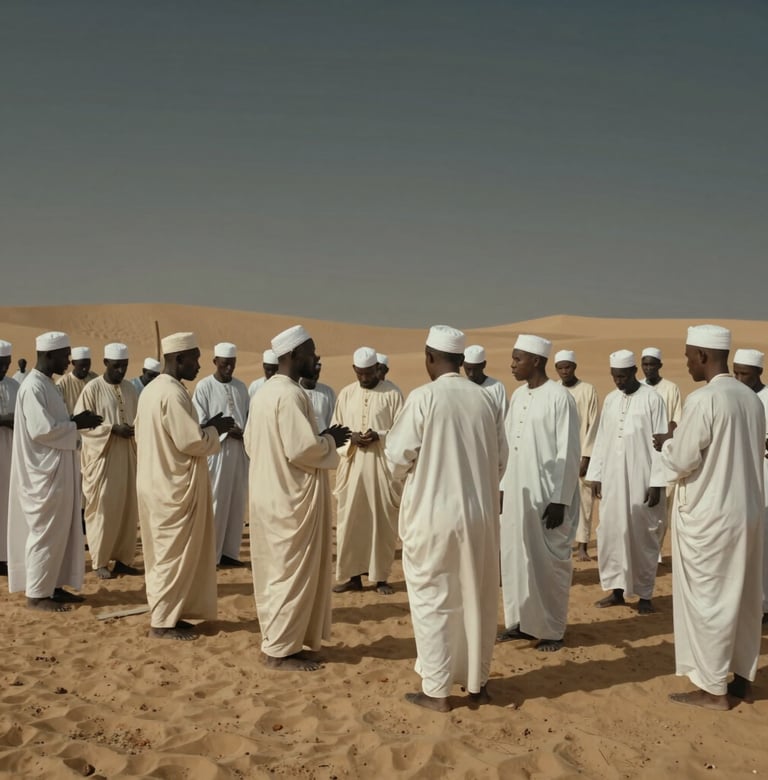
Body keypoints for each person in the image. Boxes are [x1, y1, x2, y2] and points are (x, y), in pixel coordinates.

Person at [385, 325, 507, 711]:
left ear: (430, 357)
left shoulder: (424, 398)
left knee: (433, 600)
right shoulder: (486, 400)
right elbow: (501, 460)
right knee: (477, 597)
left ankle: (436, 691)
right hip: (479, 518)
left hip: (433, 517)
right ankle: (477, 686)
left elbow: (397, 457)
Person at [657, 325, 765, 709]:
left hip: (711, 516)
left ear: (702, 355)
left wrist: (667, 440)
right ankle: (739, 680)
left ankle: (711, 688)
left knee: (709, 601)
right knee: (743, 597)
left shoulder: (705, 400)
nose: (686, 362)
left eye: (688, 355)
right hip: (747, 514)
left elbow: (683, 459)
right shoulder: (751, 400)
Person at [244, 325, 350, 671]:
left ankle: (288, 643)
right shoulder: (288, 395)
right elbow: (301, 448)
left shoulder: (263, 393)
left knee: (282, 573)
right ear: (291, 356)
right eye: (309, 353)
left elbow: (251, 443)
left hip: (271, 495)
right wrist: (330, 439)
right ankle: (278, 651)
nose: (314, 359)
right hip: (288, 502)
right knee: (287, 576)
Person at [135, 332, 234, 640]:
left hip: (157, 481)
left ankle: (171, 615)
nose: (199, 364)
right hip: (171, 487)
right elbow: (189, 441)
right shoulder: (172, 393)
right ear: (178, 359)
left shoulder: (153, 390)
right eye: (195, 358)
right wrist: (213, 431)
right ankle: (163, 623)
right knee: (170, 555)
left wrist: (204, 429)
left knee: (168, 554)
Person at [7, 332, 102, 611]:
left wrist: (75, 422)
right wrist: (76, 424)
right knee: (45, 533)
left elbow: (53, 424)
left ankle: (54, 586)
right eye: (64, 356)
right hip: (42, 475)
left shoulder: (48, 385)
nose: (68, 361)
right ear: (49, 355)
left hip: (57, 470)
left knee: (61, 530)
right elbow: (42, 430)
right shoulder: (33, 387)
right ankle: (37, 595)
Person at [497, 335, 580, 652]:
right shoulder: (517, 396)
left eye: (517, 358)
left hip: (547, 497)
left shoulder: (560, 397)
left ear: (535, 360)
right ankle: (520, 623)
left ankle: (551, 629)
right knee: (515, 556)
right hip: (517, 491)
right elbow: (507, 446)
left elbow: (569, 450)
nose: (513, 364)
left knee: (547, 561)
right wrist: (503, 487)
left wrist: (561, 498)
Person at [586, 350, 668, 614]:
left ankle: (645, 595)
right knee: (611, 533)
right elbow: (601, 439)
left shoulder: (653, 399)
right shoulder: (610, 400)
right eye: (614, 376)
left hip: (642, 478)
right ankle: (616, 591)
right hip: (612, 479)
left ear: (634, 372)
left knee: (642, 535)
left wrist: (657, 481)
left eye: (622, 376)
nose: (618, 381)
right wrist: (596, 475)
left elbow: (661, 446)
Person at [332, 346, 403, 595]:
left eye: (369, 373)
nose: (364, 378)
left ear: (377, 369)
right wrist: (350, 437)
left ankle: (380, 578)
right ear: (355, 370)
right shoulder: (346, 394)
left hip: (381, 469)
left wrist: (379, 435)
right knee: (350, 522)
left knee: (381, 522)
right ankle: (353, 577)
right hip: (352, 468)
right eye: (360, 373)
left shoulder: (392, 394)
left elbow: (402, 432)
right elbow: (334, 429)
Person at [74, 343, 141, 580]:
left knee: (127, 508)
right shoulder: (92, 389)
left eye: (124, 366)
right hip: (103, 458)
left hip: (128, 456)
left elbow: (139, 418)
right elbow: (82, 424)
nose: (121, 371)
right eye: (116, 366)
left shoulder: (132, 389)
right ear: (105, 363)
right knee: (103, 507)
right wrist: (112, 429)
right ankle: (100, 561)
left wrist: (134, 430)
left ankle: (123, 560)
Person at [193, 342, 250, 567]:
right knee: (216, 500)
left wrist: (244, 432)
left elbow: (248, 415)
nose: (228, 369)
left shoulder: (241, 387)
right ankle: (210, 556)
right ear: (215, 362)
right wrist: (224, 431)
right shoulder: (204, 387)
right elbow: (199, 421)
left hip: (239, 449)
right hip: (217, 451)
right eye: (225, 364)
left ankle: (229, 553)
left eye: (232, 364)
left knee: (236, 500)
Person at [732, 348, 768, 623]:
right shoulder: (732, 398)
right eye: (736, 373)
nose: (740, 378)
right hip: (739, 484)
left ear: (759, 373)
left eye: (745, 374)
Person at [554, 350, 600, 561]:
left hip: (581, 454)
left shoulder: (587, 390)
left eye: (568, 367)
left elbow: (593, 425)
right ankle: (560, 543)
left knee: (584, 502)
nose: (564, 371)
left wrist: (587, 456)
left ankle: (582, 546)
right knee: (557, 499)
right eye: (560, 368)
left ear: (574, 367)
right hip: (557, 457)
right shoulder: (552, 390)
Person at [641, 347, 683, 561]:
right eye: (645, 364)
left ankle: (655, 553)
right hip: (639, 454)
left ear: (659, 366)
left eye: (652, 364)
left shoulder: (670, 388)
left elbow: (676, 420)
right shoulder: (636, 387)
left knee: (661, 505)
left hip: (663, 452)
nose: (648, 368)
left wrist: (663, 438)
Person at [0, 340, 19, 576]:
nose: (3, 369)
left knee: (7, 504)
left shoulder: (15, 386)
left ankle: (3, 558)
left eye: (6, 364)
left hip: (11, 452)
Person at [463, 344, 509, 418]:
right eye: (468, 369)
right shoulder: (461, 387)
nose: (471, 374)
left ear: (484, 365)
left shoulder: (496, 387)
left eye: (475, 369)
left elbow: (504, 417)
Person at [56, 346, 98, 415]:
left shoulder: (94, 378)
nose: (85, 369)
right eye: (81, 365)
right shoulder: (62, 383)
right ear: (73, 363)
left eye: (87, 365)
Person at [299, 360, 336, 431]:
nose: (313, 378)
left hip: (324, 439)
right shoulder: (294, 390)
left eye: (316, 375)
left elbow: (333, 420)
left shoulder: (328, 392)